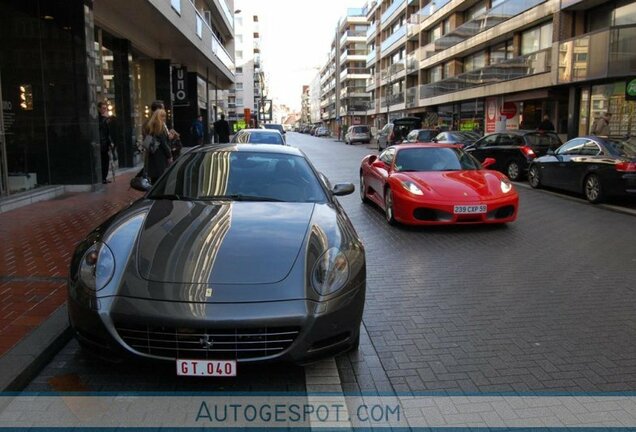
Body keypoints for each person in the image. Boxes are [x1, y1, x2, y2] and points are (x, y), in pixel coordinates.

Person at [143, 108, 173, 183]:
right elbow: (164, 144)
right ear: (159, 117)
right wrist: (169, 156)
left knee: (154, 181)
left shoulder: (150, 126)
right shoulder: (160, 128)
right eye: (162, 116)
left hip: (152, 155)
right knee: (161, 180)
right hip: (160, 156)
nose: (164, 118)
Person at [97, 101, 114, 184]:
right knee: (103, 160)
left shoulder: (105, 119)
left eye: (105, 108)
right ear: (99, 109)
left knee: (106, 160)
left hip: (105, 143)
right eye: (103, 108)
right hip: (101, 143)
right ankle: (102, 177)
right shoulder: (100, 119)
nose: (105, 110)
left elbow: (108, 132)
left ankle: (104, 177)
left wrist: (110, 142)